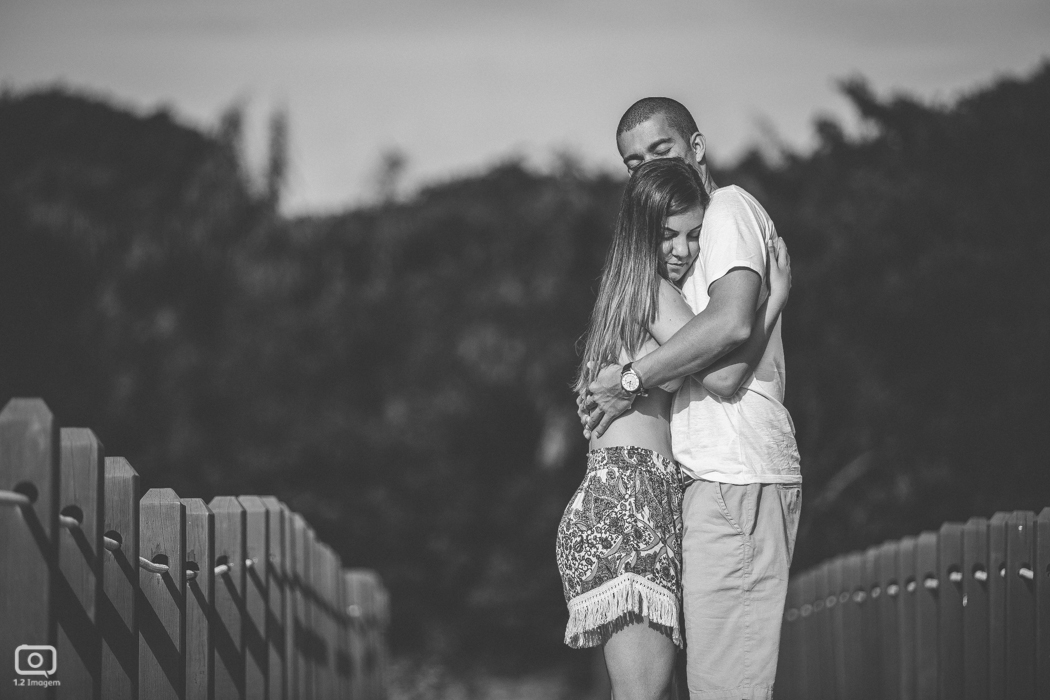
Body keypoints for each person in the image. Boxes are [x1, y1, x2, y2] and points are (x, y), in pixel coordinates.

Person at [580, 97, 802, 700]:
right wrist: (773, 302)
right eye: (634, 163)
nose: (682, 248)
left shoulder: (724, 211)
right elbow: (723, 367)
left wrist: (632, 379)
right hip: (641, 500)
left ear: (697, 148)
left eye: (662, 150)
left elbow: (721, 337)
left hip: (675, 488)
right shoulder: (651, 287)